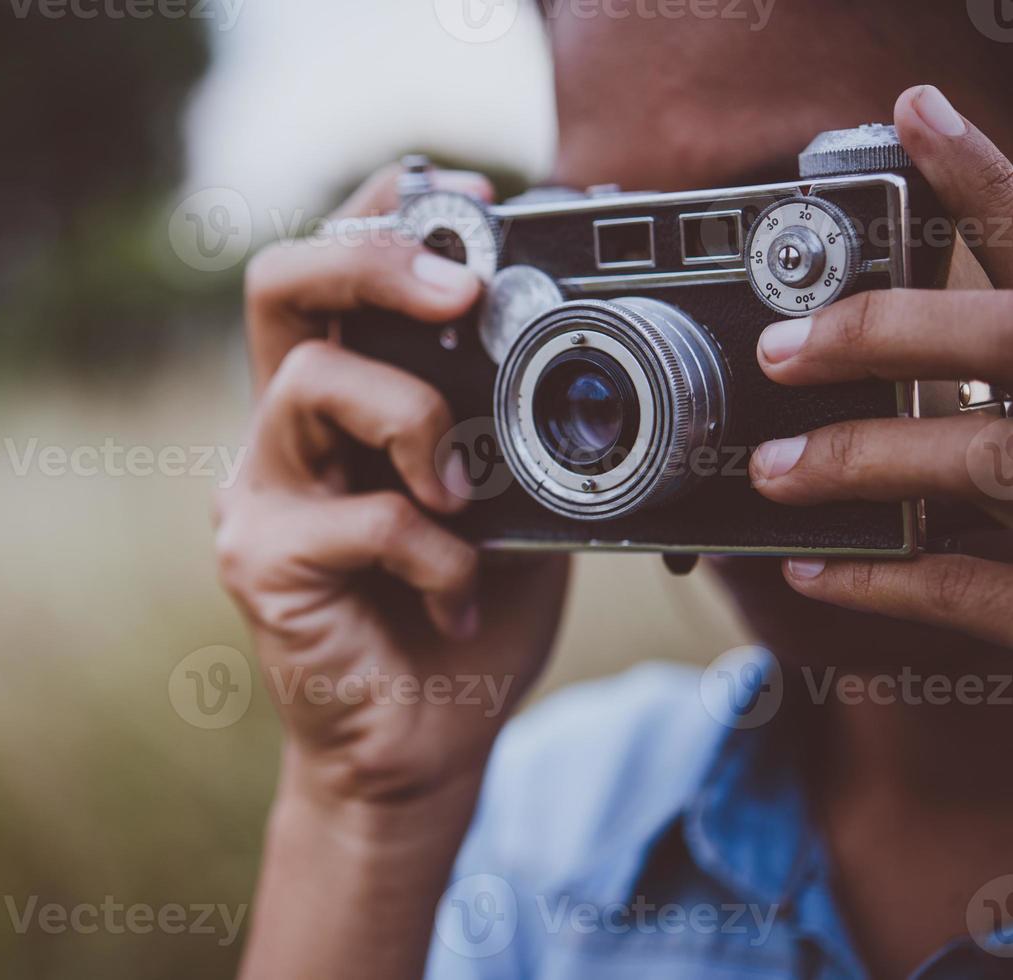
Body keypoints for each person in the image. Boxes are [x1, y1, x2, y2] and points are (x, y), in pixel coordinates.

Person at [214, 3, 1013, 978]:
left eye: (795, 234)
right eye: (591, 248)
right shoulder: (549, 832)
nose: (631, 354)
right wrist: (363, 812)